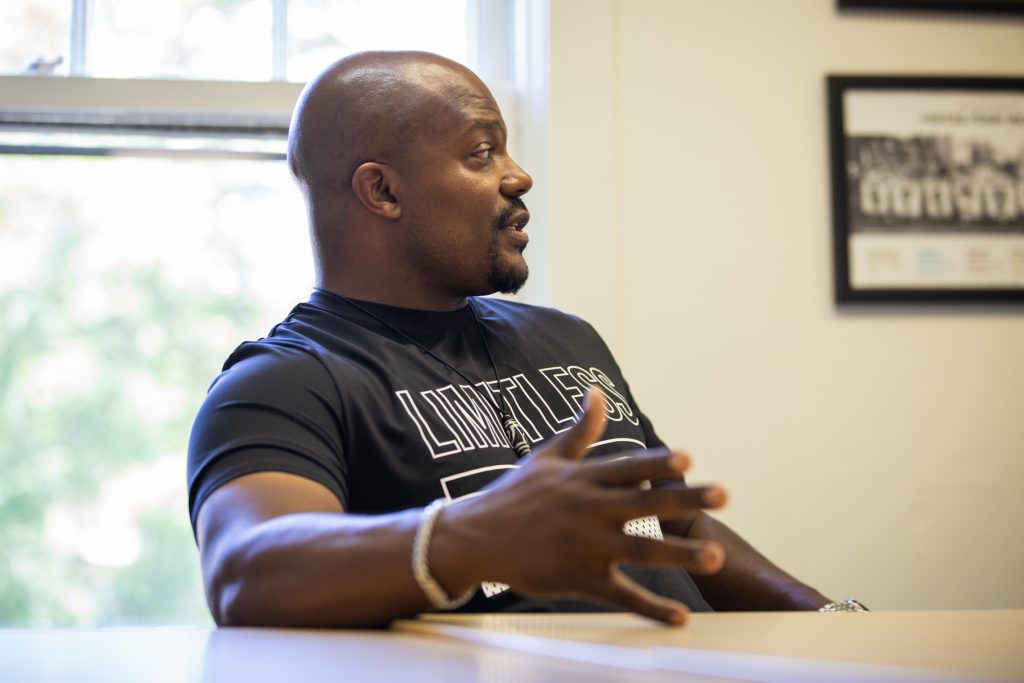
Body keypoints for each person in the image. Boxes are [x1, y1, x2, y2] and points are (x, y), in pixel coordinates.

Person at [188, 51, 833, 629]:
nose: (518, 176)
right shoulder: (284, 383)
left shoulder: (567, 338)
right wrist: (470, 537)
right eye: (482, 152)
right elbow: (245, 571)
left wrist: (834, 621)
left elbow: (672, 523)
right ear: (382, 190)